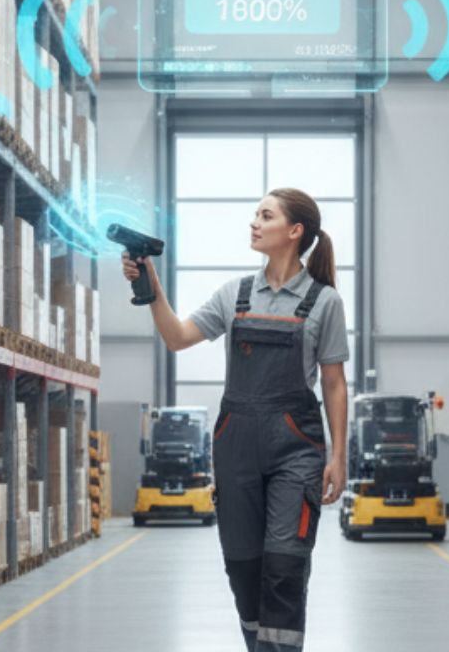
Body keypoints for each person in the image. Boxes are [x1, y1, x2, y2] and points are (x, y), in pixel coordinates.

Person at [121, 187, 349, 652]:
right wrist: (151, 287)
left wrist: (339, 456)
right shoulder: (235, 294)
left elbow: (333, 383)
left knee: (285, 565)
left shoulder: (324, 301)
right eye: (255, 214)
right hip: (236, 447)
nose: (254, 223)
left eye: (265, 215)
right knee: (243, 567)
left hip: (296, 449)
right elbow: (177, 337)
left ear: (295, 231)